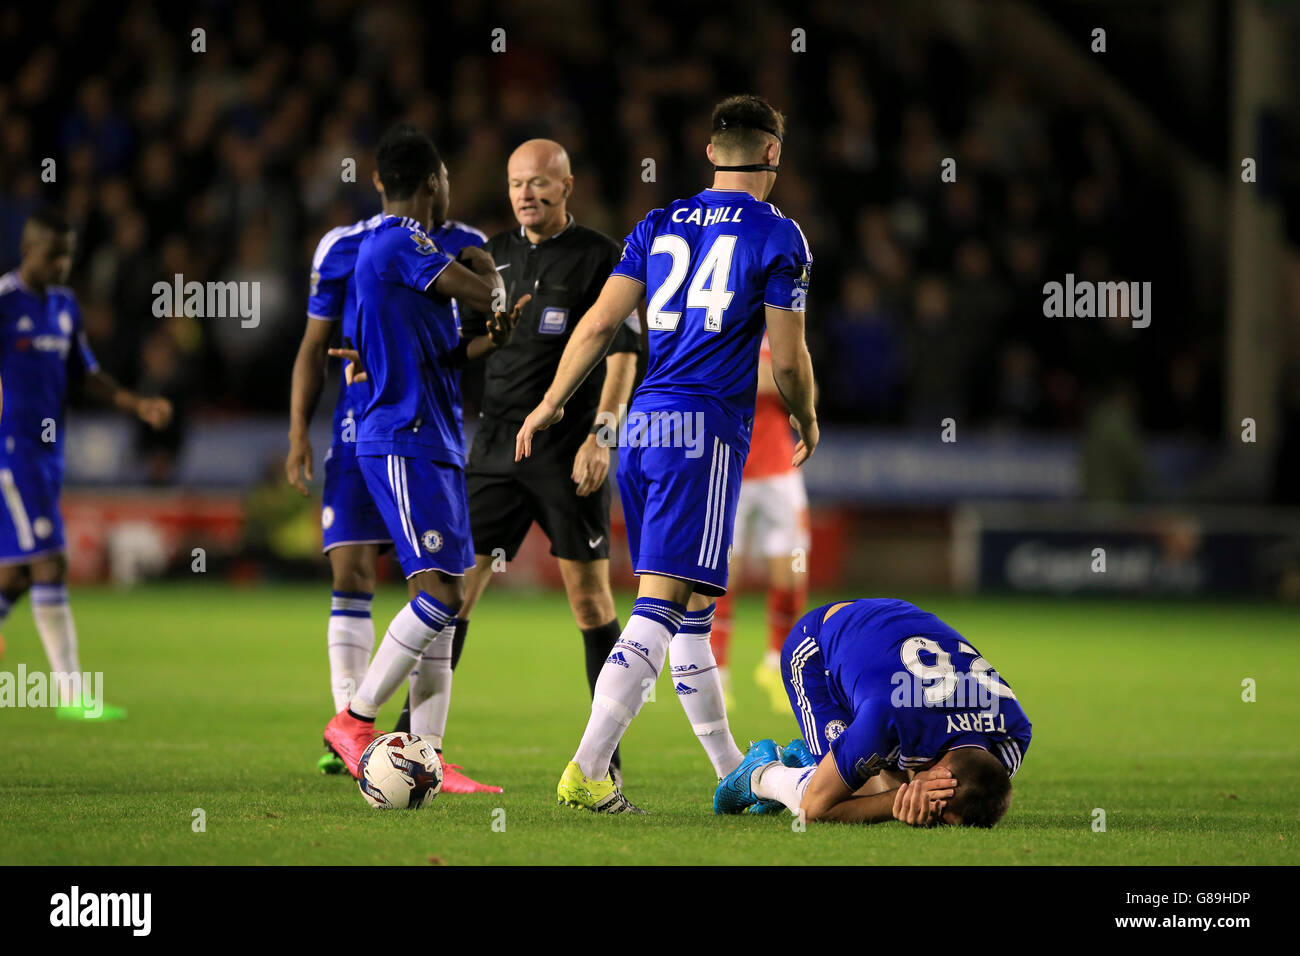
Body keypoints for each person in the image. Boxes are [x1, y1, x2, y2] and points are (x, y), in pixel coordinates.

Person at [517, 94, 817, 813]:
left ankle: (730, 768)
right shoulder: (780, 236)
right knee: (660, 606)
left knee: (692, 611)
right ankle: (588, 768)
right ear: (772, 153)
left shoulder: (658, 223)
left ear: (711, 152)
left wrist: (553, 402)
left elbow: (595, 324)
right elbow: (789, 356)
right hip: (703, 431)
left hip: (644, 428)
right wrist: (805, 414)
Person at [390, 138, 641, 783]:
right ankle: (407, 744)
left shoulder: (599, 257)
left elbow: (621, 355)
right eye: (516, 184)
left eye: (539, 183)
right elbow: (454, 346)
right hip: (494, 449)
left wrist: (601, 438)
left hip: (567, 452)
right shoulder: (490, 256)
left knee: (590, 602)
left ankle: (603, 757)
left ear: (567, 186)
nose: (526, 194)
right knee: (452, 595)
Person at [285, 142, 501, 792]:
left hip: (430, 427)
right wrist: (299, 428)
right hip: (372, 426)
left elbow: (460, 343)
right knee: (358, 567)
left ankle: (421, 750)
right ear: (435, 180)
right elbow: (314, 344)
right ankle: (353, 728)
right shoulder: (352, 245)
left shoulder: (458, 241)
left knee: (436, 590)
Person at [0, 208, 173, 719]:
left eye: (69, 255)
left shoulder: (65, 306)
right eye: (56, 255)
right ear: (29, 251)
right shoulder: (5, 302)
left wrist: (136, 403)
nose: (63, 264)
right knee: (51, 559)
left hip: (49, 452)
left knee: (17, 574)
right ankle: (73, 696)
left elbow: (86, 374)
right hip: (11, 450)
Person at [714, 598, 1031, 827]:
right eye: (937, 813)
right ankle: (760, 774)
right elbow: (814, 810)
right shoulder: (888, 718)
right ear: (943, 777)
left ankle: (814, 760)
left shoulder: (1014, 732)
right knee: (853, 795)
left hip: (896, 629)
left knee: (887, 774)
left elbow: (984, 783)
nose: (930, 817)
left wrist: (910, 790)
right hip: (817, 646)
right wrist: (895, 804)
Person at [711, 331, 810, 711]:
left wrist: (767, 375)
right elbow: (784, 376)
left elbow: (792, 379)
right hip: (729, 465)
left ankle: (776, 664)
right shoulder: (723, 321)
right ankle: (718, 671)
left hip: (779, 471)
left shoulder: (780, 325)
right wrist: (777, 375)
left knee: (793, 571)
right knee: (721, 574)